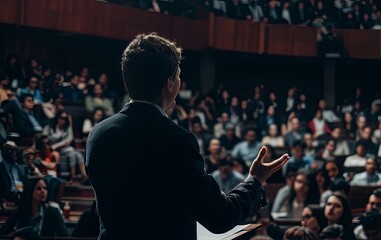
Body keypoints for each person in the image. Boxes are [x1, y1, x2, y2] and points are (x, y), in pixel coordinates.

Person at [85, 33, 290, 239]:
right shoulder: (177, 140)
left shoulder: (99, 135)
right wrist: (254, 181)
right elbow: (220, 217)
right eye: (179, 76)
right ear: (170, 82)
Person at [0, 177, 68, 237]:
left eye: (45, 188)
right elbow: (3, 232)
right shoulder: (20, 211)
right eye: (38, 189)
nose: (43, 191)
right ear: (30, 190)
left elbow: (65, 237)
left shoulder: (53, 212)